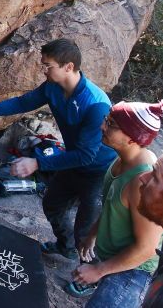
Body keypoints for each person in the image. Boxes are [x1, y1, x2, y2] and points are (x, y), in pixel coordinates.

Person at [0, 39, 117, 260]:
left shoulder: (95, 104)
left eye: (48, 65)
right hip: (72, 160)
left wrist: (37, 162)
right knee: (53, 205)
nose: (43, 70)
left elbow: (87, 154)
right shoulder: (53, 87)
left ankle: (88, 274)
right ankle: (65, 246)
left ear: (68, 67)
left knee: (85, 230)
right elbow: (23, 103)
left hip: (98, 170)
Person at [67, 100, 163, 307]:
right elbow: (113, 205)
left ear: (132, 138)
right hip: (113, 256)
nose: (103, 126)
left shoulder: (142, 183)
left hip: (132, 271)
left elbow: (146, 248)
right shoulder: (121, 160)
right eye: (106, 120)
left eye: (111, 124)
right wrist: (92, 235)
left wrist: (99, 270)